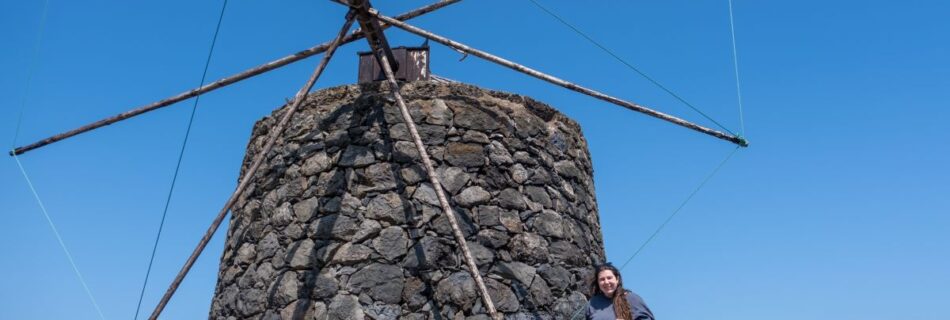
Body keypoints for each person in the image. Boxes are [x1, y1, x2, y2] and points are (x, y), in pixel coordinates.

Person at [586, 263, 655, 320]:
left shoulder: (632, 298)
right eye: (602, 279)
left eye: (609, 278)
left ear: (617, 279)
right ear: (598, 283)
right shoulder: (592, 303)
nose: (606, 282)